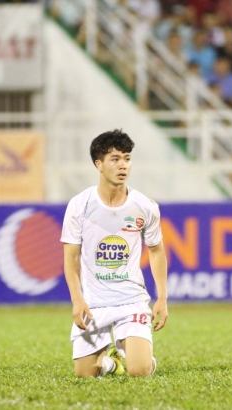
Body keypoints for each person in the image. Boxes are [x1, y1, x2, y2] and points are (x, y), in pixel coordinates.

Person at [60, 130, 168, 378]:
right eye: (115, 159)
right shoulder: (80, 205)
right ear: (98, 164)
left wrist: (162, 297)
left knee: (139, 371)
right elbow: (71, 258)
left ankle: (139, 358)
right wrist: (77, 300)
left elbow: (156, 250)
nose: (123, 166)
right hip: (94, 303)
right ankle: (112, 361)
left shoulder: (145, 206)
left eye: (127, 159)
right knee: (85, 375)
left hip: (131, 300)